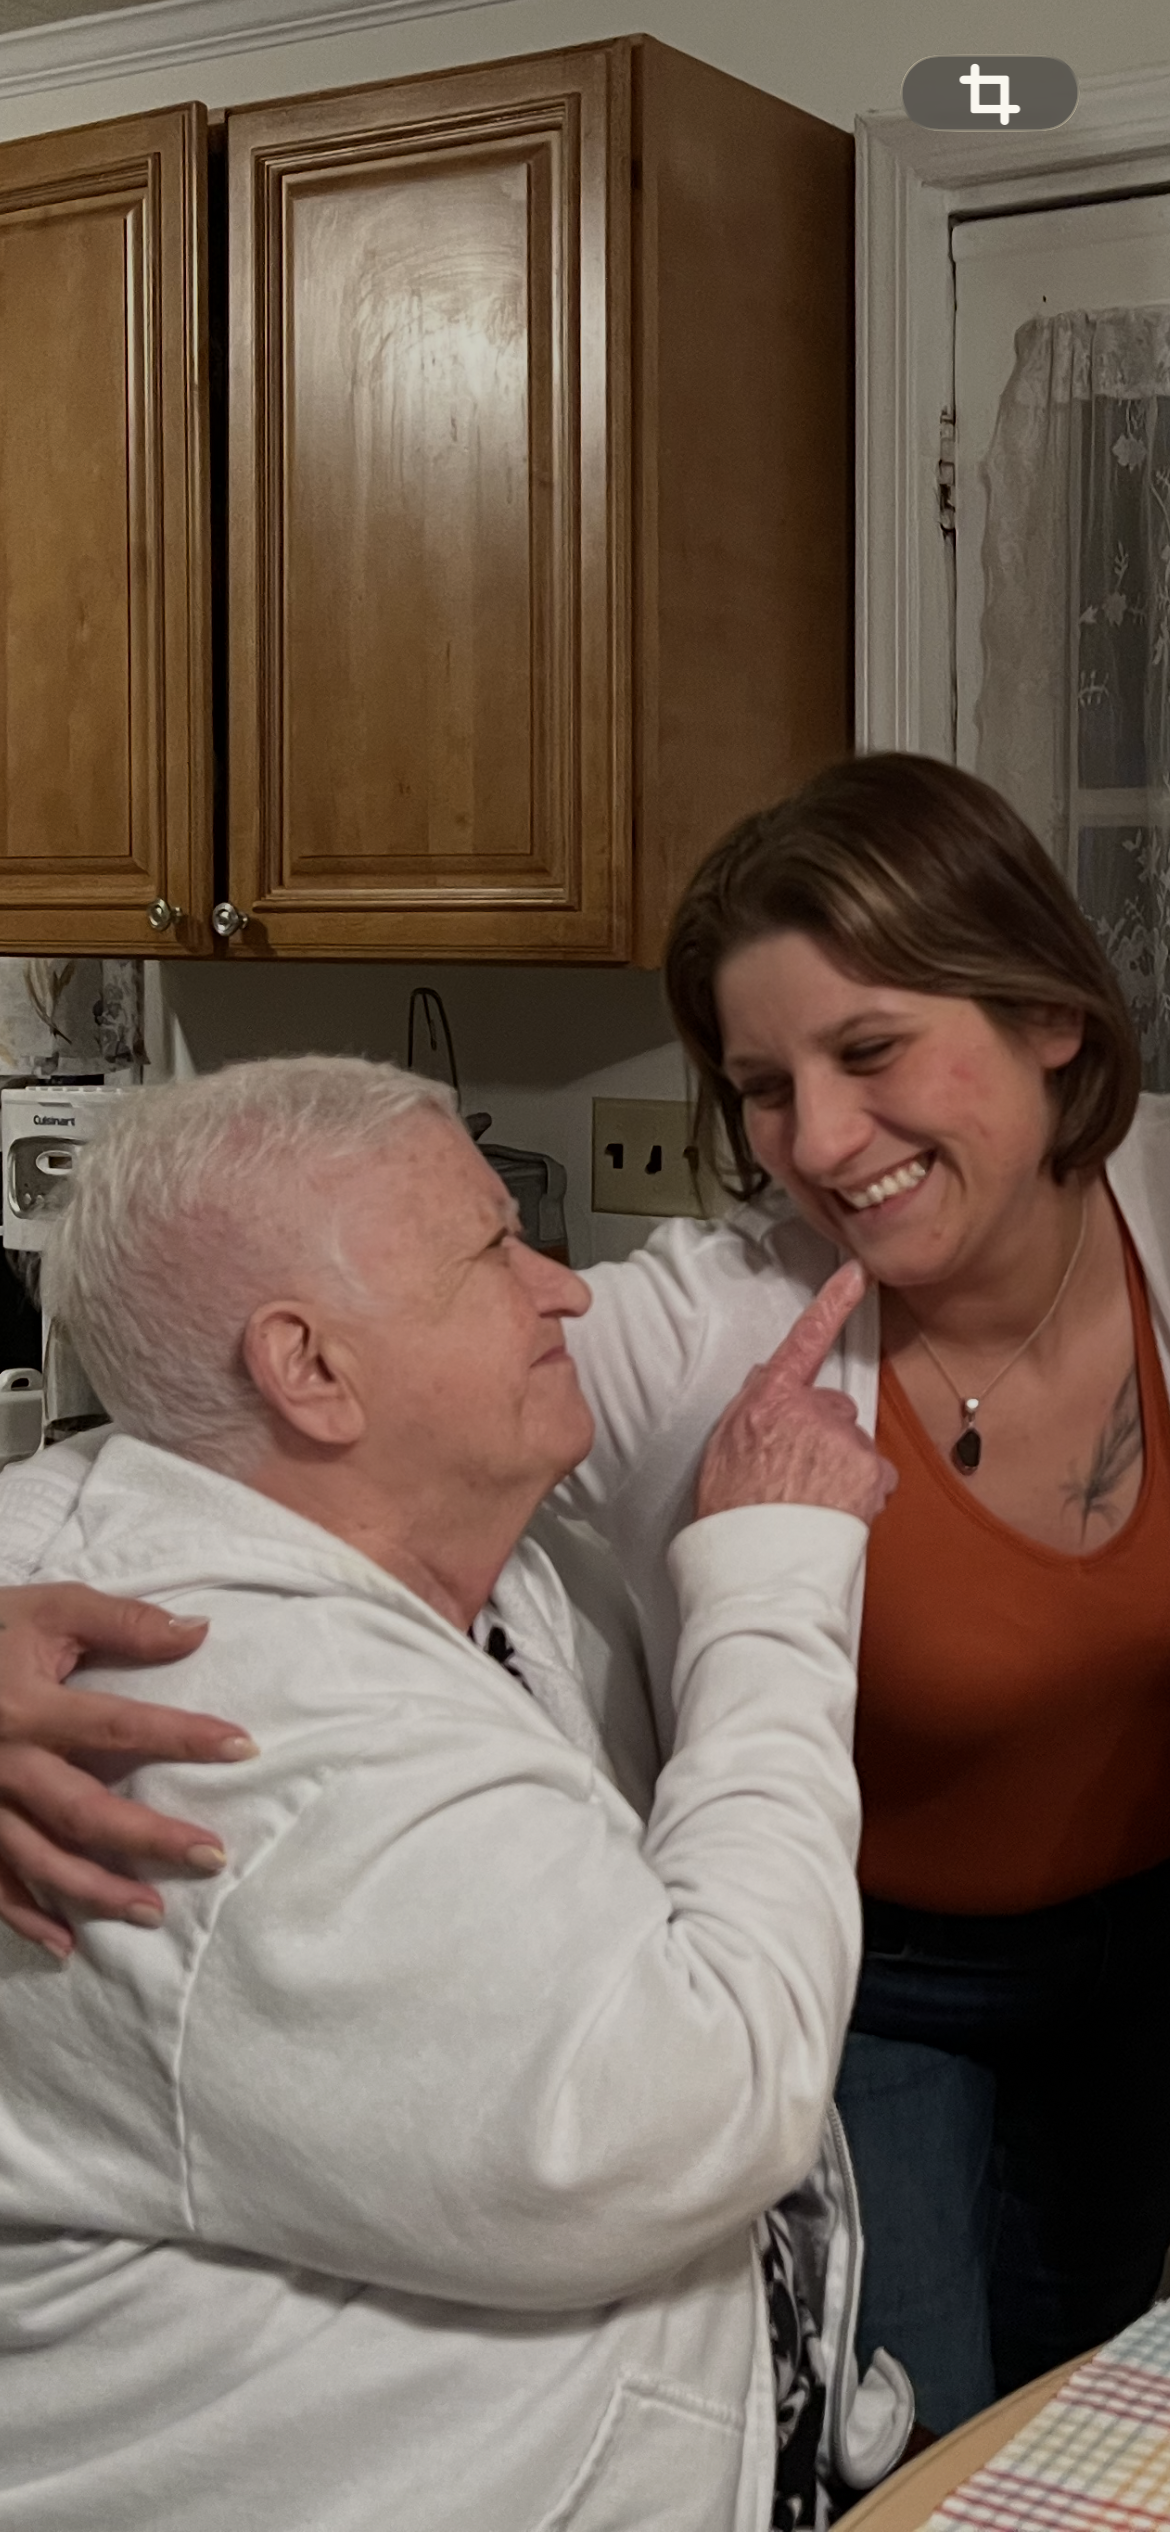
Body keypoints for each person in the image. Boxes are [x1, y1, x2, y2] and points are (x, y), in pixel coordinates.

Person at [6, 752, 1161, 2438]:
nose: (818, 1142)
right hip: (866, 1991)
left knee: (1094, 2404)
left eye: (867, 1052)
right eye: (761, 1086)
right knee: (916, 2443)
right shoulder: (705, 1338)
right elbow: (199, 1449)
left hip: (1138, 1957)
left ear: (1047, 1016)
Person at [0, 1054, 909, 2532]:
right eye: (495, 1247)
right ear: (309, 1369)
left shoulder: (491, 1566)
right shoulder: (221, 1746)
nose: (567, 1291)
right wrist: (772, 1570)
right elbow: (704, 2098)